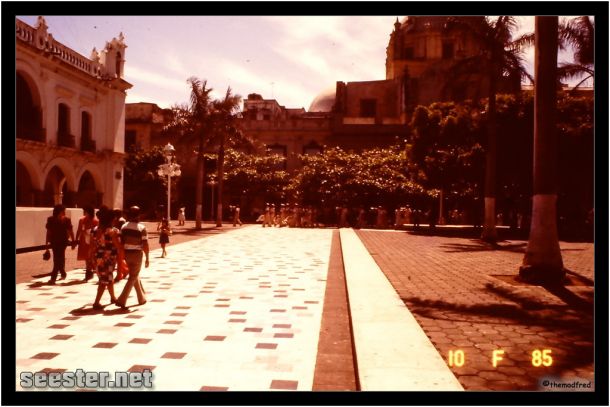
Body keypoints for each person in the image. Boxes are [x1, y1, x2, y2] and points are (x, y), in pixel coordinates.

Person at [116, 206, 149, 309]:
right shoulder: (141, 228)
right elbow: (145, 244)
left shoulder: (124, 226)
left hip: (126, 254)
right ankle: (122, 300)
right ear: (138, 215)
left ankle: (141, 298)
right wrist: (147, 257)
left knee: (134, 275)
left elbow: (121, 242)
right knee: (133, 277)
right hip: (137, 254)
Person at [90, 206, 122, 309]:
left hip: (98, 257)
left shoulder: (94, 230)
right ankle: (96, 302)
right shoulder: (113, 231)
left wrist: (91, 258)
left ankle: (113, 297)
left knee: (108, 277)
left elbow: (92, 245)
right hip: (109, 258)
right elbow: (118, 246)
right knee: (104, 280)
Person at [45, 204, 76, 284]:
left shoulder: (66, 220)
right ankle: (63, 273)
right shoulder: (51, 220)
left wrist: (73, 241)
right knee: (58, 258)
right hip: (54, 242)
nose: (64, 212)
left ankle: (53, 278)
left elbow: (70, 231)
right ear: (59, 211)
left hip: (63, 242)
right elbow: (48, 232)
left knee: (58, 259)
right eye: (63, 211)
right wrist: (46, 244)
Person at [74, 205, 98, 281]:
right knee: (87, 257)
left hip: (92, 241)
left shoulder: (95, 221)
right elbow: (79, 230)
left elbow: (97, 232)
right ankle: (89, 273)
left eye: (85, 211)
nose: (84, 213)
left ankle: (90, 272)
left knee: (91, 257)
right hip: (84, 240)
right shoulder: (82, 220)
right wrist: (76, 239)